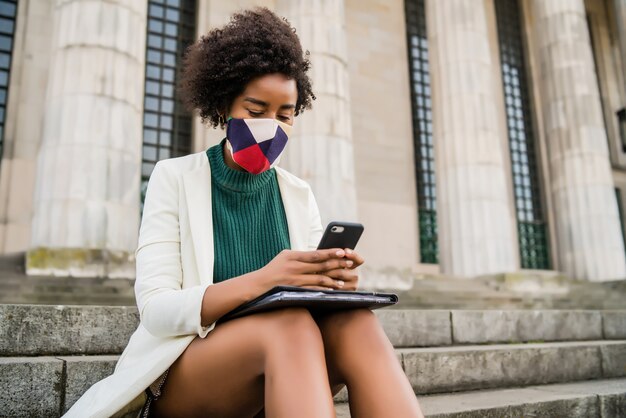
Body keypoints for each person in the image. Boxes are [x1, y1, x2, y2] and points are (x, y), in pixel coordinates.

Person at [64, 7, 424, 418]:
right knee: (288, 325)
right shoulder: (175, 177)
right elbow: (158, 310)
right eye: (256, 111)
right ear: (224, 106)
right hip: (189, 373)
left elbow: (305, 293)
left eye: (285, 115)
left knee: (356, 323)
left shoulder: (297, 193)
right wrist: (269, 279)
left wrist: (331, 282)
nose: (272, 125)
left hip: (286, 366)